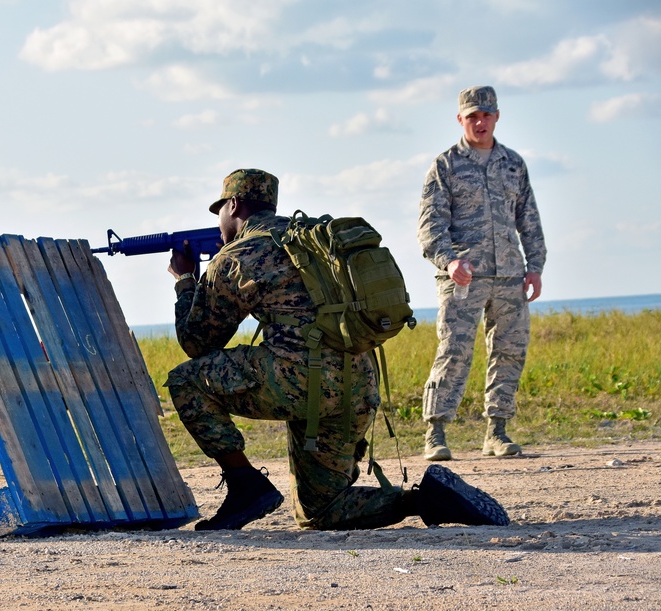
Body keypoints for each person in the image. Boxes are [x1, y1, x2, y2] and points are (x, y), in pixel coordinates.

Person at [165, 167, 509, 531]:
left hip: (299, 383)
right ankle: (426, 499)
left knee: (186, 381)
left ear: (233, 205)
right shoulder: (311, 239)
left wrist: (186, 280)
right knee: (320, 511)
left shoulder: (237, 256)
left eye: (220, 210)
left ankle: (245, 485)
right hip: (357, 381)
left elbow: (197, 342)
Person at [417, 86, 548, 462]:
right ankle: (436, 433)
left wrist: (535, 267)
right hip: (463, 277)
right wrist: (449, 261)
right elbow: (430, 224)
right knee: (454, 351)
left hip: (509, 276)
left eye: (486, 114)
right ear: (461, 119)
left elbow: (529, 220)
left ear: (497, 117)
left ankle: (498, 431)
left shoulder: (513, 164)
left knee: (509, 352)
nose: (480, 121)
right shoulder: (446, 165)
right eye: (472, 115)